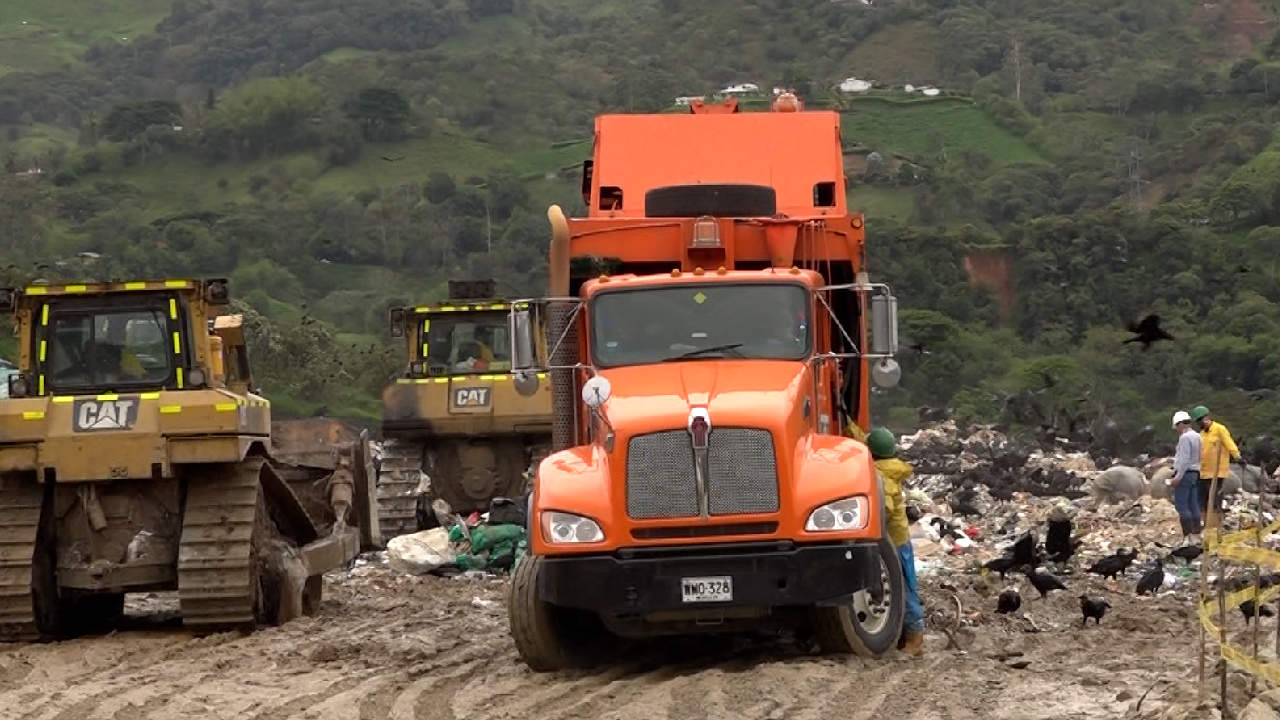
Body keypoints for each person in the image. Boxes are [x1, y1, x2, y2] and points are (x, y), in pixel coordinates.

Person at [866, 426, 924, 656]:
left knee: (903, 586)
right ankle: (906, 636)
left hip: (894, 539)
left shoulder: (879, 474)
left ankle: (915, 638)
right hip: (900, 537)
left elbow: (885, 509)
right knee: (905, 583)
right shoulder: (889, 468)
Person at [1191, 404, 1241, 529]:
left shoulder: (1220, 429)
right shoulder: (1202, 434)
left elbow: (1229, 444)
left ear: (1207, 417)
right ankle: (1203, 524)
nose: (1200, 424)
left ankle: (1215, 525)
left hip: (1217, 472)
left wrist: (1237, 456)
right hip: (1203, 471)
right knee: (1202, 499)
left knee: (1214, 499)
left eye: (1200, 420)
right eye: (1198, 422)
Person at [1169, 410, 1202, 543]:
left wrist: (1177, 477)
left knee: (1182, 505)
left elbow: (1184, 460)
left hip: (1185, 474)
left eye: (1176, 426)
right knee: (1194, 504)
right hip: (1195, 473)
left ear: (1180, 424)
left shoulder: (1184, 438)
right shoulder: (1197, 436)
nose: (1176, 430)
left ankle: (1187, 536)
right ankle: (1197, 533)